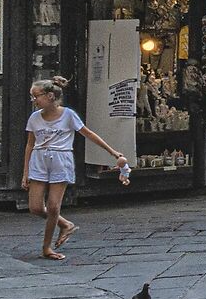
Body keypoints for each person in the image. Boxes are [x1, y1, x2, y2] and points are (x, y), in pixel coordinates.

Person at [21, 78, 128, 260]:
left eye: (36, 96)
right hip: (39, 160)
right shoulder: (34, 118)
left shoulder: (68, 115)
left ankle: (47, 247)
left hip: (61, 159)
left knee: (54, 206)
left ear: (50, 96)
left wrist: (112, 152)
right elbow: (30, 145)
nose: (34, 101)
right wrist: (25, 173)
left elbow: (88, 134)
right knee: (35, 208)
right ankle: (65, 224)